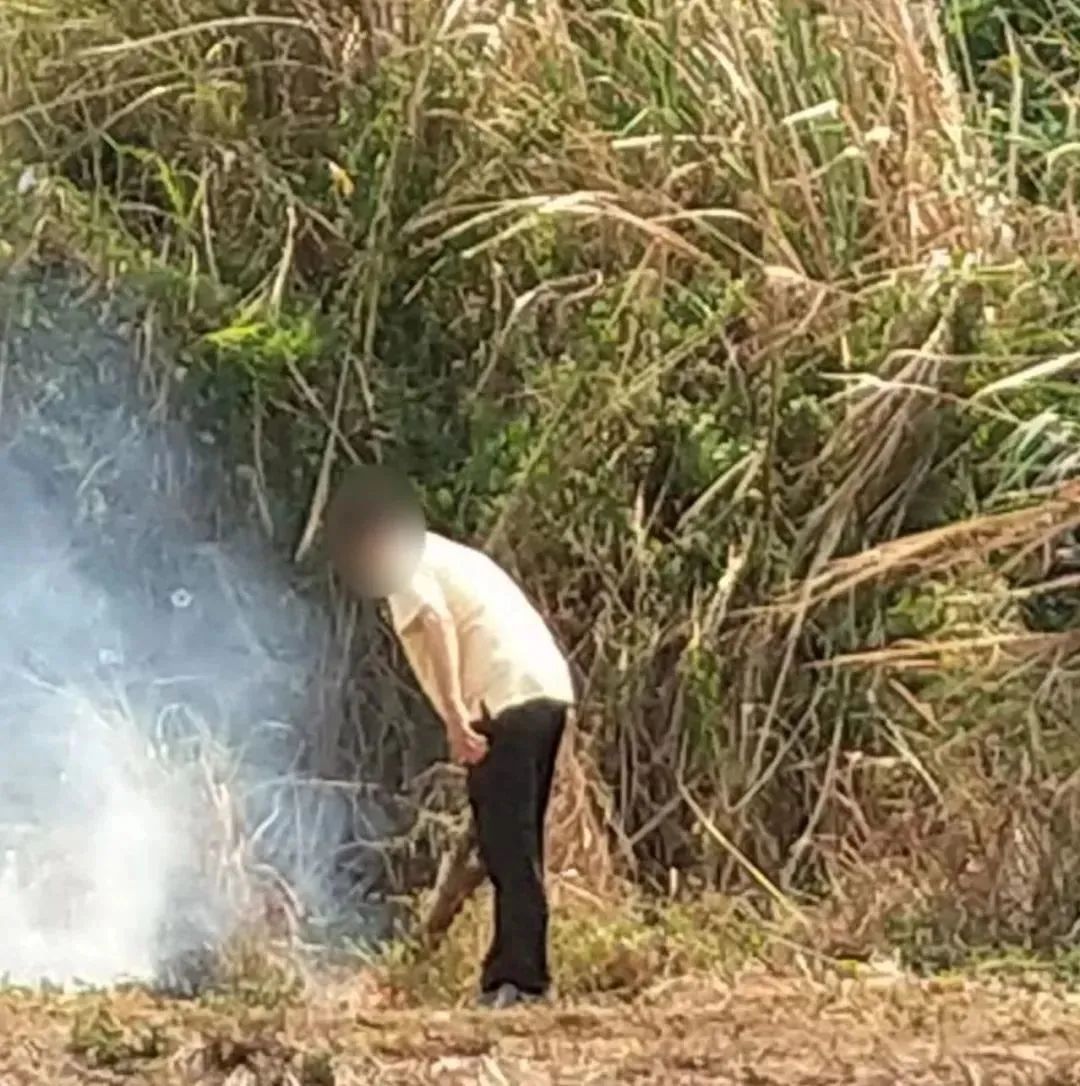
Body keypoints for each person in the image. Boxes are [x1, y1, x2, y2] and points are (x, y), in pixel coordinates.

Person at [325, 467, 575, 1009]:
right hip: (545, 690)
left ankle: (520, 982)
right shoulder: (451, 555)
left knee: (508, 849)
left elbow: (436, 620)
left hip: (502, 698)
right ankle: (513, 974)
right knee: (514, 843)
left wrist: (457, 716)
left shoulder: (402, 558)